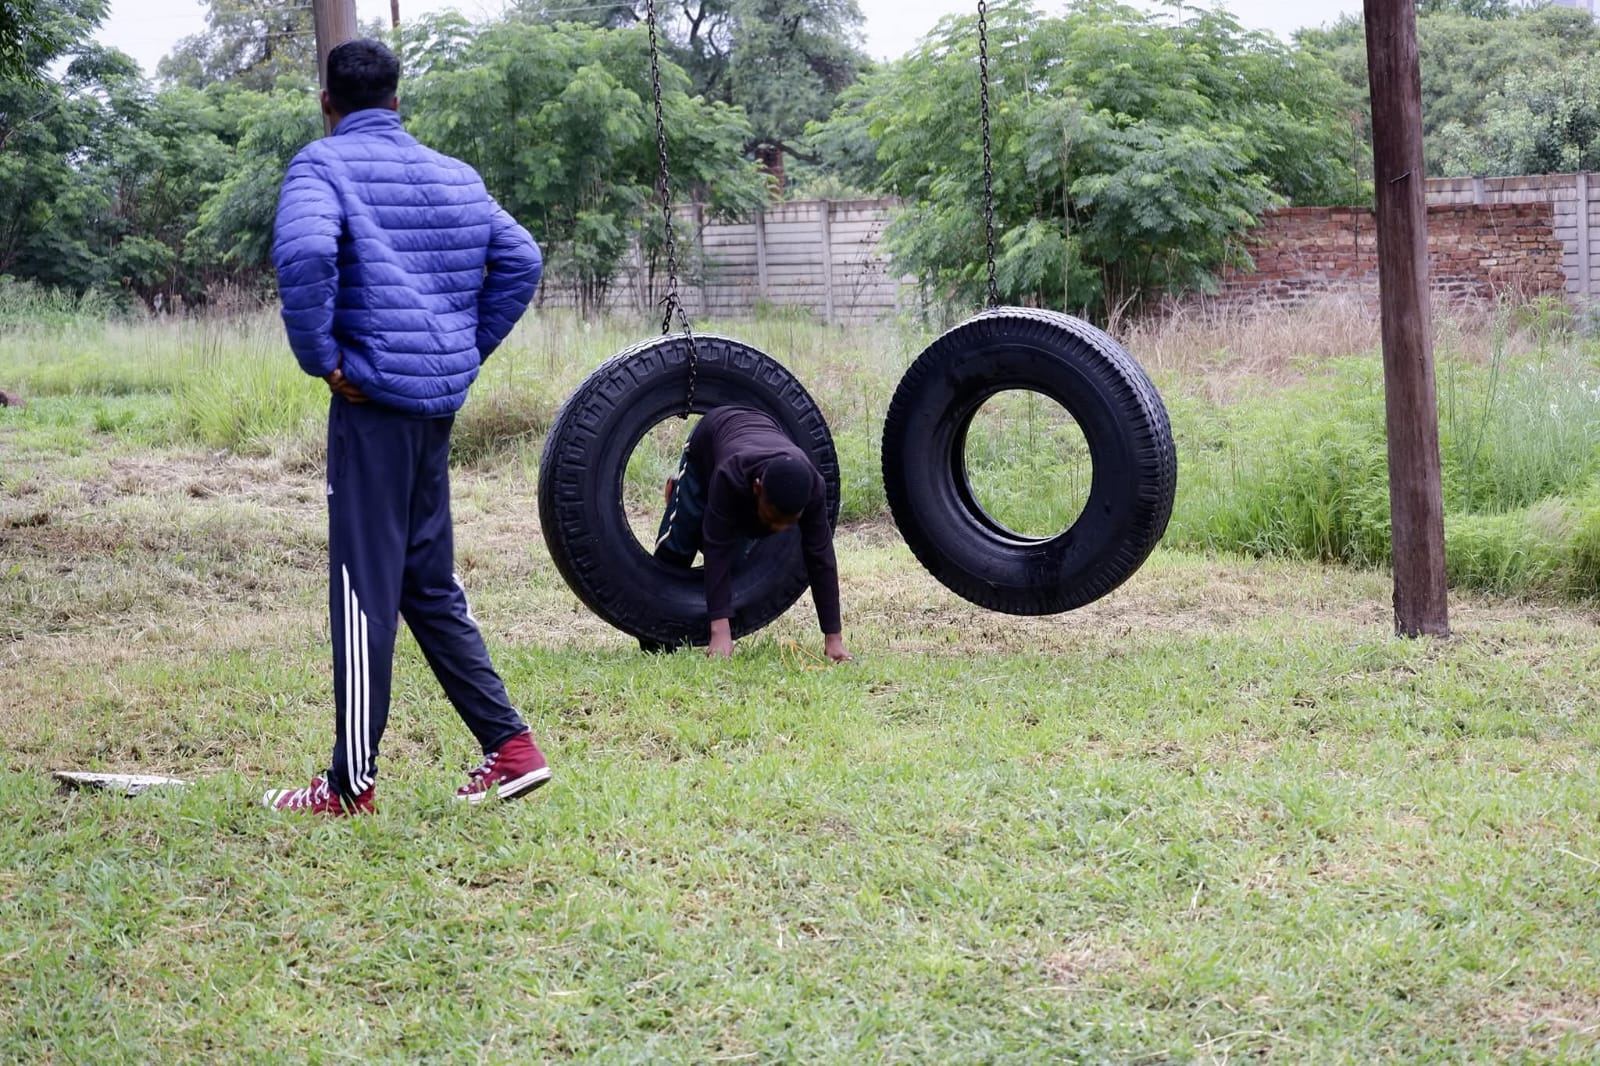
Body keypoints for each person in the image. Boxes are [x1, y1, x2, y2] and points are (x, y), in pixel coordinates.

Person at [262, 39, 550, 816]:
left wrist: (324, 360)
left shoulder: (321, 165)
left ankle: (349, 785)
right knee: (425, 581)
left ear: (327, 104)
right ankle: (511, 748)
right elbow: (522, 258)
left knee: (364, 588)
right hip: (432, 404)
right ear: (397, 101)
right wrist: (463, 349)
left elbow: (307, 253)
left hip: (373, 409)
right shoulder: (457, 175)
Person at [653, 405, 852, 662]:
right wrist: (720, 633)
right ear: (757, 489)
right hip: (710, 443)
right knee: (679, 545)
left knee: (736, 563)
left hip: (757, 439)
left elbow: (821, 557)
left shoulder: (813, 488)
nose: (778, 528)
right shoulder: (730, 475)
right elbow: (716, 548)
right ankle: (681, 493)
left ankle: (710, 514)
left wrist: (834, 639)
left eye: (788, 523)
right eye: (773, 518)